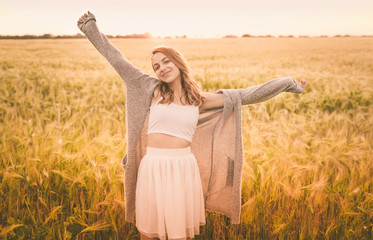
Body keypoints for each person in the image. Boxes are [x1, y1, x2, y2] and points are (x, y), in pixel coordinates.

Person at [77, 11, 307, 240]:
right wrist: (90, 28)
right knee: (147, 233)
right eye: (156, 66)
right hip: (152, 168)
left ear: (178, 63)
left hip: (183, 169)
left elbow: (247, 95)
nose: (161, 68)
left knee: (181, 235)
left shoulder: (200, 100)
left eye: (166, 61)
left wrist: (289, 84)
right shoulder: (150, 89)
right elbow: (118, 60)